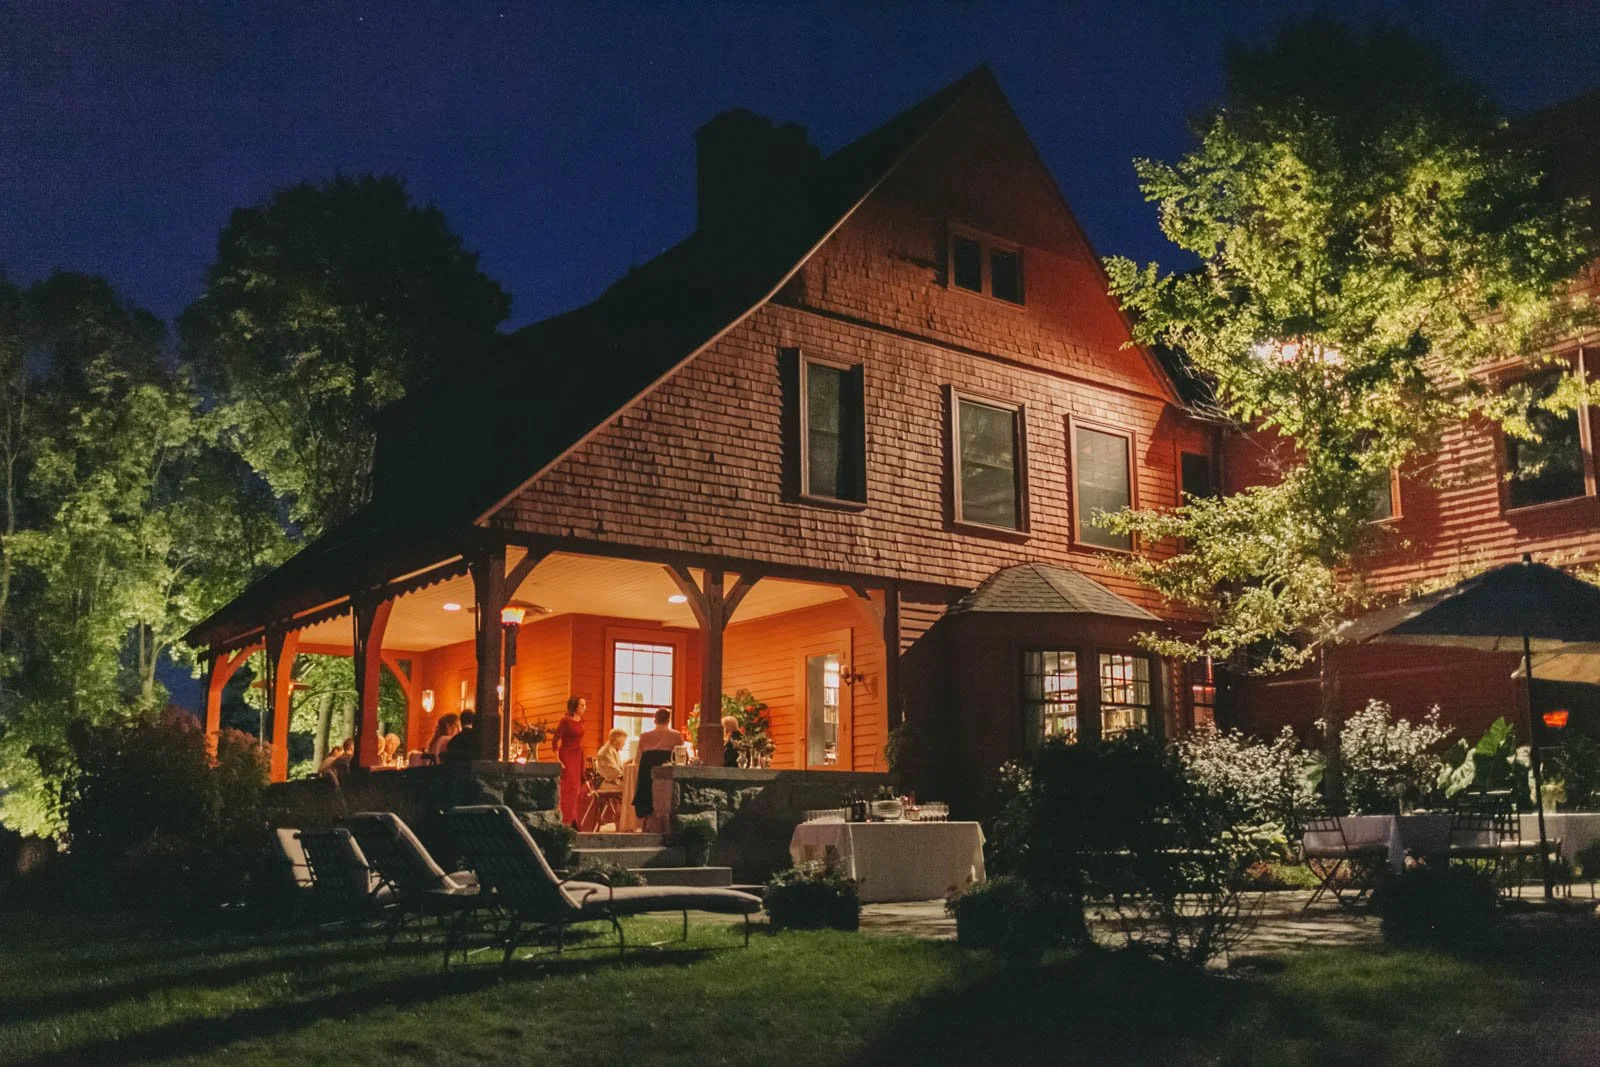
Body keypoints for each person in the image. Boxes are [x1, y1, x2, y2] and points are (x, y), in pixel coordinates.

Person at [633, 709, 683, 824]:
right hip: (668, 782)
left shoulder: (644, 736)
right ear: (668, 721)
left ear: (654, 721)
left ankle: (647, 820)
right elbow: (682, 757)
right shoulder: (676, 735)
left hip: (647, 782)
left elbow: (638, 761)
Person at [552, 697, 587, 827]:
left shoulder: (581, 720)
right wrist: (558, 760)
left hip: (578, 755)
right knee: (569, 787)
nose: (584, 708)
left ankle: (573, 819)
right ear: (575, 707)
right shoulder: (565, 720)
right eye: (582, 705)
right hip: (567, 754)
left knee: (576, 788)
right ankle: (566, 819)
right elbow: (555, 740)